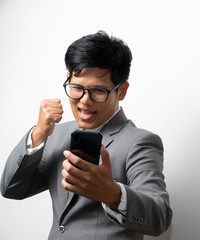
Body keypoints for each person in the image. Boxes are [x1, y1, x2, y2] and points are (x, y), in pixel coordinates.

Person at [0, 31, 172, 239]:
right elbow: (11, 189)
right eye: (77, 88)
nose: (84, 101)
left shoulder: (140, 143)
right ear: (68, 80)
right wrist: (38, 134)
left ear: (122, 91)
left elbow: (160, 218)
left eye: (98, 91)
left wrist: (112, 194)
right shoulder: (56, 134)